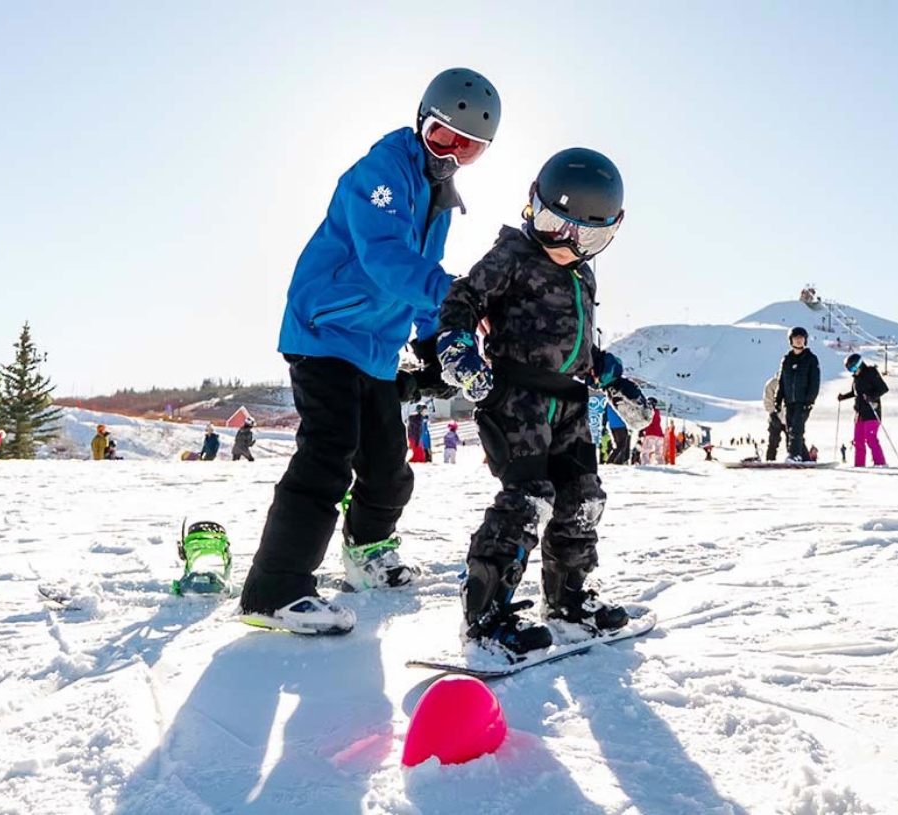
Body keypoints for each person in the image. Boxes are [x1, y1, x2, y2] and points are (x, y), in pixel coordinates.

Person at [239, 69, 500, 635]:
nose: (452, 154)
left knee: (386, 465)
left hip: (377, 352)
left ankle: (366, 551)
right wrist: (455, 294)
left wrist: (438, 341)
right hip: (325, 334)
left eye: (470, 147)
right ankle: (275, 586)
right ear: (420, 123)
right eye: (442, 137)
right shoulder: (381, 172)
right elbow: (384, 258)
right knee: (329, 453)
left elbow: (419, 284)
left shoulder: (440, 198)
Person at [434, 146, 647, 657]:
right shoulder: (512, 255)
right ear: (533, 206)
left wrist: (611, 374)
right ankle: (485, 614)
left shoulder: (583, 275)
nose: (567, 244)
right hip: (517, 398)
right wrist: (457, 345)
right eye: (554, 223)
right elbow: (463, 300)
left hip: (570, 402)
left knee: (583, 498)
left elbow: (579, 344)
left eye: (587, 236)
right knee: (528, 498)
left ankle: (568, 600)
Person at [777, 327, 821, 462]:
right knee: (792, 431)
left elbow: (815, 382)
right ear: (791, 340)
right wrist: (777, 400)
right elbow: (782, 381)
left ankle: (795, 455)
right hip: (789, 402)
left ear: (805, 340)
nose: (799, 340)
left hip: (803, 402)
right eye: (796, 337)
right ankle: (806, 458)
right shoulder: (786, 360)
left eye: (801, 338)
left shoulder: (811, 359)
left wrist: (809, 401)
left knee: (797, 430)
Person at [838, 353, 889, 467]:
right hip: (859, 413)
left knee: (871, 438)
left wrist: (871, 396)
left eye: (854, 367)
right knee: (858, 441)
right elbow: (855, 393)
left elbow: (883, 388)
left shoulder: (871, 372)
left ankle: (880, 463)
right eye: (850, 369)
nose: (853, 371)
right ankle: (859, 465)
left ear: (860, 364)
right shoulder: (856, 378)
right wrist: (843, 397)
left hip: (872, 411)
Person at [763, 373, 784, 461]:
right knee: (773, 441)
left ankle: (795, 459)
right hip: (776, 417)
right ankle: (770, 460)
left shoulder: (792, 382)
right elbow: (767, 400)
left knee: (794, 442)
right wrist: (772, 413)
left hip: (789, 418)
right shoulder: (772, 384)